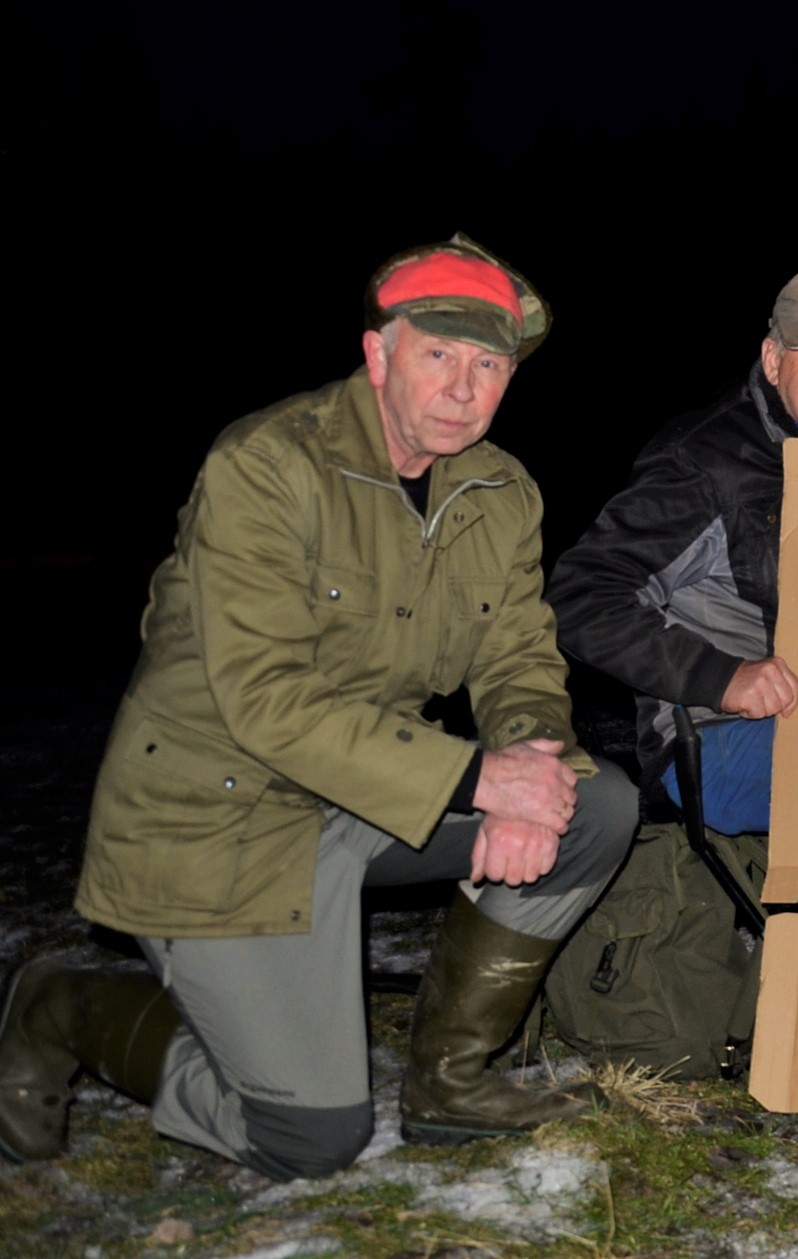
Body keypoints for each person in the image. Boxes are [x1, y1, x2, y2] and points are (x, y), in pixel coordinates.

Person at [2, 237, 633, 1179]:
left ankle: (451, 1080)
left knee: (594, 802)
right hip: (218, 814)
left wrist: (528, 761)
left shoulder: (500, 491)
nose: (465, 388)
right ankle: (63, 1003)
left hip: (368, 793)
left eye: (490, 365)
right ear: (379, 355)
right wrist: (477, 777)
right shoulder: (266, 465)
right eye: (439, 355)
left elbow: (518, 654)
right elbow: (266, 699)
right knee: (309, 1137)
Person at [546, 267, 798, 838]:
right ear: (772, 359)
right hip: (720, 735)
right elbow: (580, 596)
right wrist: (723, 676)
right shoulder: (705, 461)